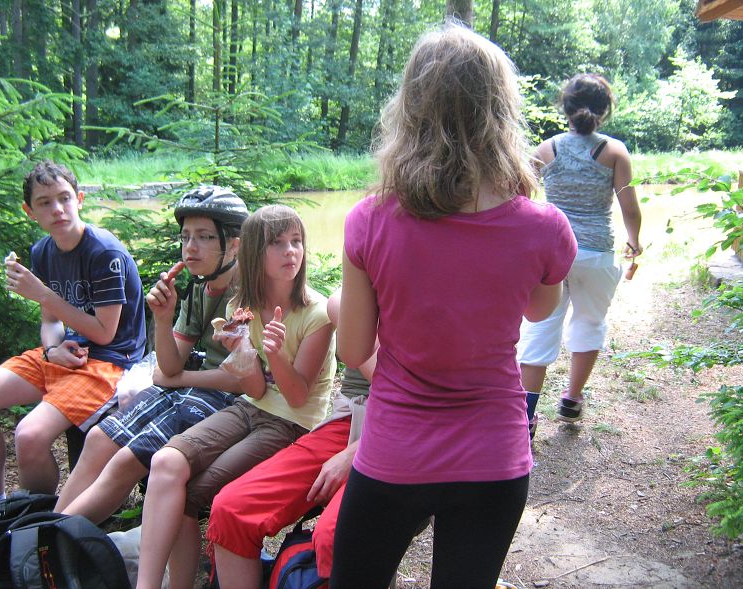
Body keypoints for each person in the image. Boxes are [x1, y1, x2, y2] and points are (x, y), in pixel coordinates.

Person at [332, 22, 577, 589]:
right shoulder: (544, 226)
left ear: (409, 109)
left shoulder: (369, 220)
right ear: (500, 112)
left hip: (395, 453)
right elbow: (540, 311)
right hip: (495, 456)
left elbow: (353, 347)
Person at [134, 204, 336, 589]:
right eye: (277, 243)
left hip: (292, 425)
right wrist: (242, 356)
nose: (291, 251)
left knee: (191, 495)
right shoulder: (240, 309)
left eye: (296, 242)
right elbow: (256, 389)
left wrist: (276, 354)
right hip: (249, 408)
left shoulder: (317, 313)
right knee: (165, 462)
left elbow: (296, 397)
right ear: (254, 252)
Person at [53, 186, 249, 523]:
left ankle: (51, 542)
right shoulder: (199, 288)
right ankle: (47, 533)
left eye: (204, 237)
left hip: (230, 401)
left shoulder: (250, 294)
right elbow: (168, 366)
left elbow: (241, 378)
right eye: (186, 236)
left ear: (234, 244)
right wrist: (163, 317)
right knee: (99, 438)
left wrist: (179, 377)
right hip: (191, 387)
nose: (191, 247)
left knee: (126, 461)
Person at [0, 160, 147, 504]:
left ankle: (37, 516)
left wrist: (43, 294)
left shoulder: (104, 252)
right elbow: (50, 321)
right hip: (68, 353)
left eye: (64, 198)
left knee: (28, 435)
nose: (57, 209)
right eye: (45, 202)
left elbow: (105, 333)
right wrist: (51, 349)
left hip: (110, 361)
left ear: (79, 199)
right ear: (30, 211)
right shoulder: (43, 251)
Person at [208, 287, 375, 589]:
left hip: (407, 433)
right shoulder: (350, 296)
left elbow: (417, 396)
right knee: (231, 509)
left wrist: (358, 452)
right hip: (351, 419)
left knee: (335, 538)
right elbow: (257, 390)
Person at [518, 73, 642, 435]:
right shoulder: (614, 152)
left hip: (551, 252)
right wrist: (634, 241)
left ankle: (525, 417)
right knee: (590, 323)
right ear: (605, 110)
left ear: (566, 107)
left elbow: (517, 196)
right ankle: (571, 402)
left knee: (539, 328)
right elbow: (629, 208)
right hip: (596, 254)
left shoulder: (545, 150)